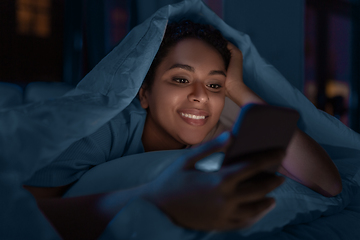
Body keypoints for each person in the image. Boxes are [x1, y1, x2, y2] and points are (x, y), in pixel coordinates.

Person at [24, 20, 342, 239]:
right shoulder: (102, 129)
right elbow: (24, 219)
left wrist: (237, 87)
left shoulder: (218, 128)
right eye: (180, 79)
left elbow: (327, 183)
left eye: (215, 85)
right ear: (144, 92)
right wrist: (152, 198)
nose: (201, 95)